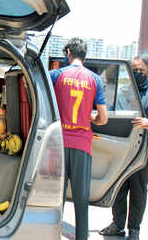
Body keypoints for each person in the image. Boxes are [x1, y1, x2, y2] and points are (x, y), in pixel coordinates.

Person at [50, 38, 108, 240]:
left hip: (57, 143)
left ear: (68, 54)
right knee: (81, 198)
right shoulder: (95, 80)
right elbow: (103, 118)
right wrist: (91, 118)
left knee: (56, 197)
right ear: (84, 56)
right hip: (82, 144)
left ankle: (51, 234)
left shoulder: (56, 75)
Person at [99, 55, 148, 240]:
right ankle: (117, 224)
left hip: (143, 150)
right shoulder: (123, 91)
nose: (137, 74)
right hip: (123, 147)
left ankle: (134, 229)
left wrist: (146, 122)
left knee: (138, 190)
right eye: (133, 70)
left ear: (147, 71)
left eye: (140, 70)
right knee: (119, 187)